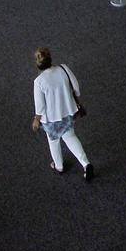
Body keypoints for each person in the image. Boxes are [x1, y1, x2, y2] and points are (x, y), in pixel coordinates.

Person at [31, 47, 93, 180]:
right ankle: (86, 164)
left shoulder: (39, 82)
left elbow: (40, 106)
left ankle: (59, 165)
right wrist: (76, 97)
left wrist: (36, 119)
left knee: (53, 141)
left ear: (37, 64)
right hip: (68, 111)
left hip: (51, 119)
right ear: (50, 59)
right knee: (70, 136)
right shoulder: (63, 68)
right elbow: (75, 86)